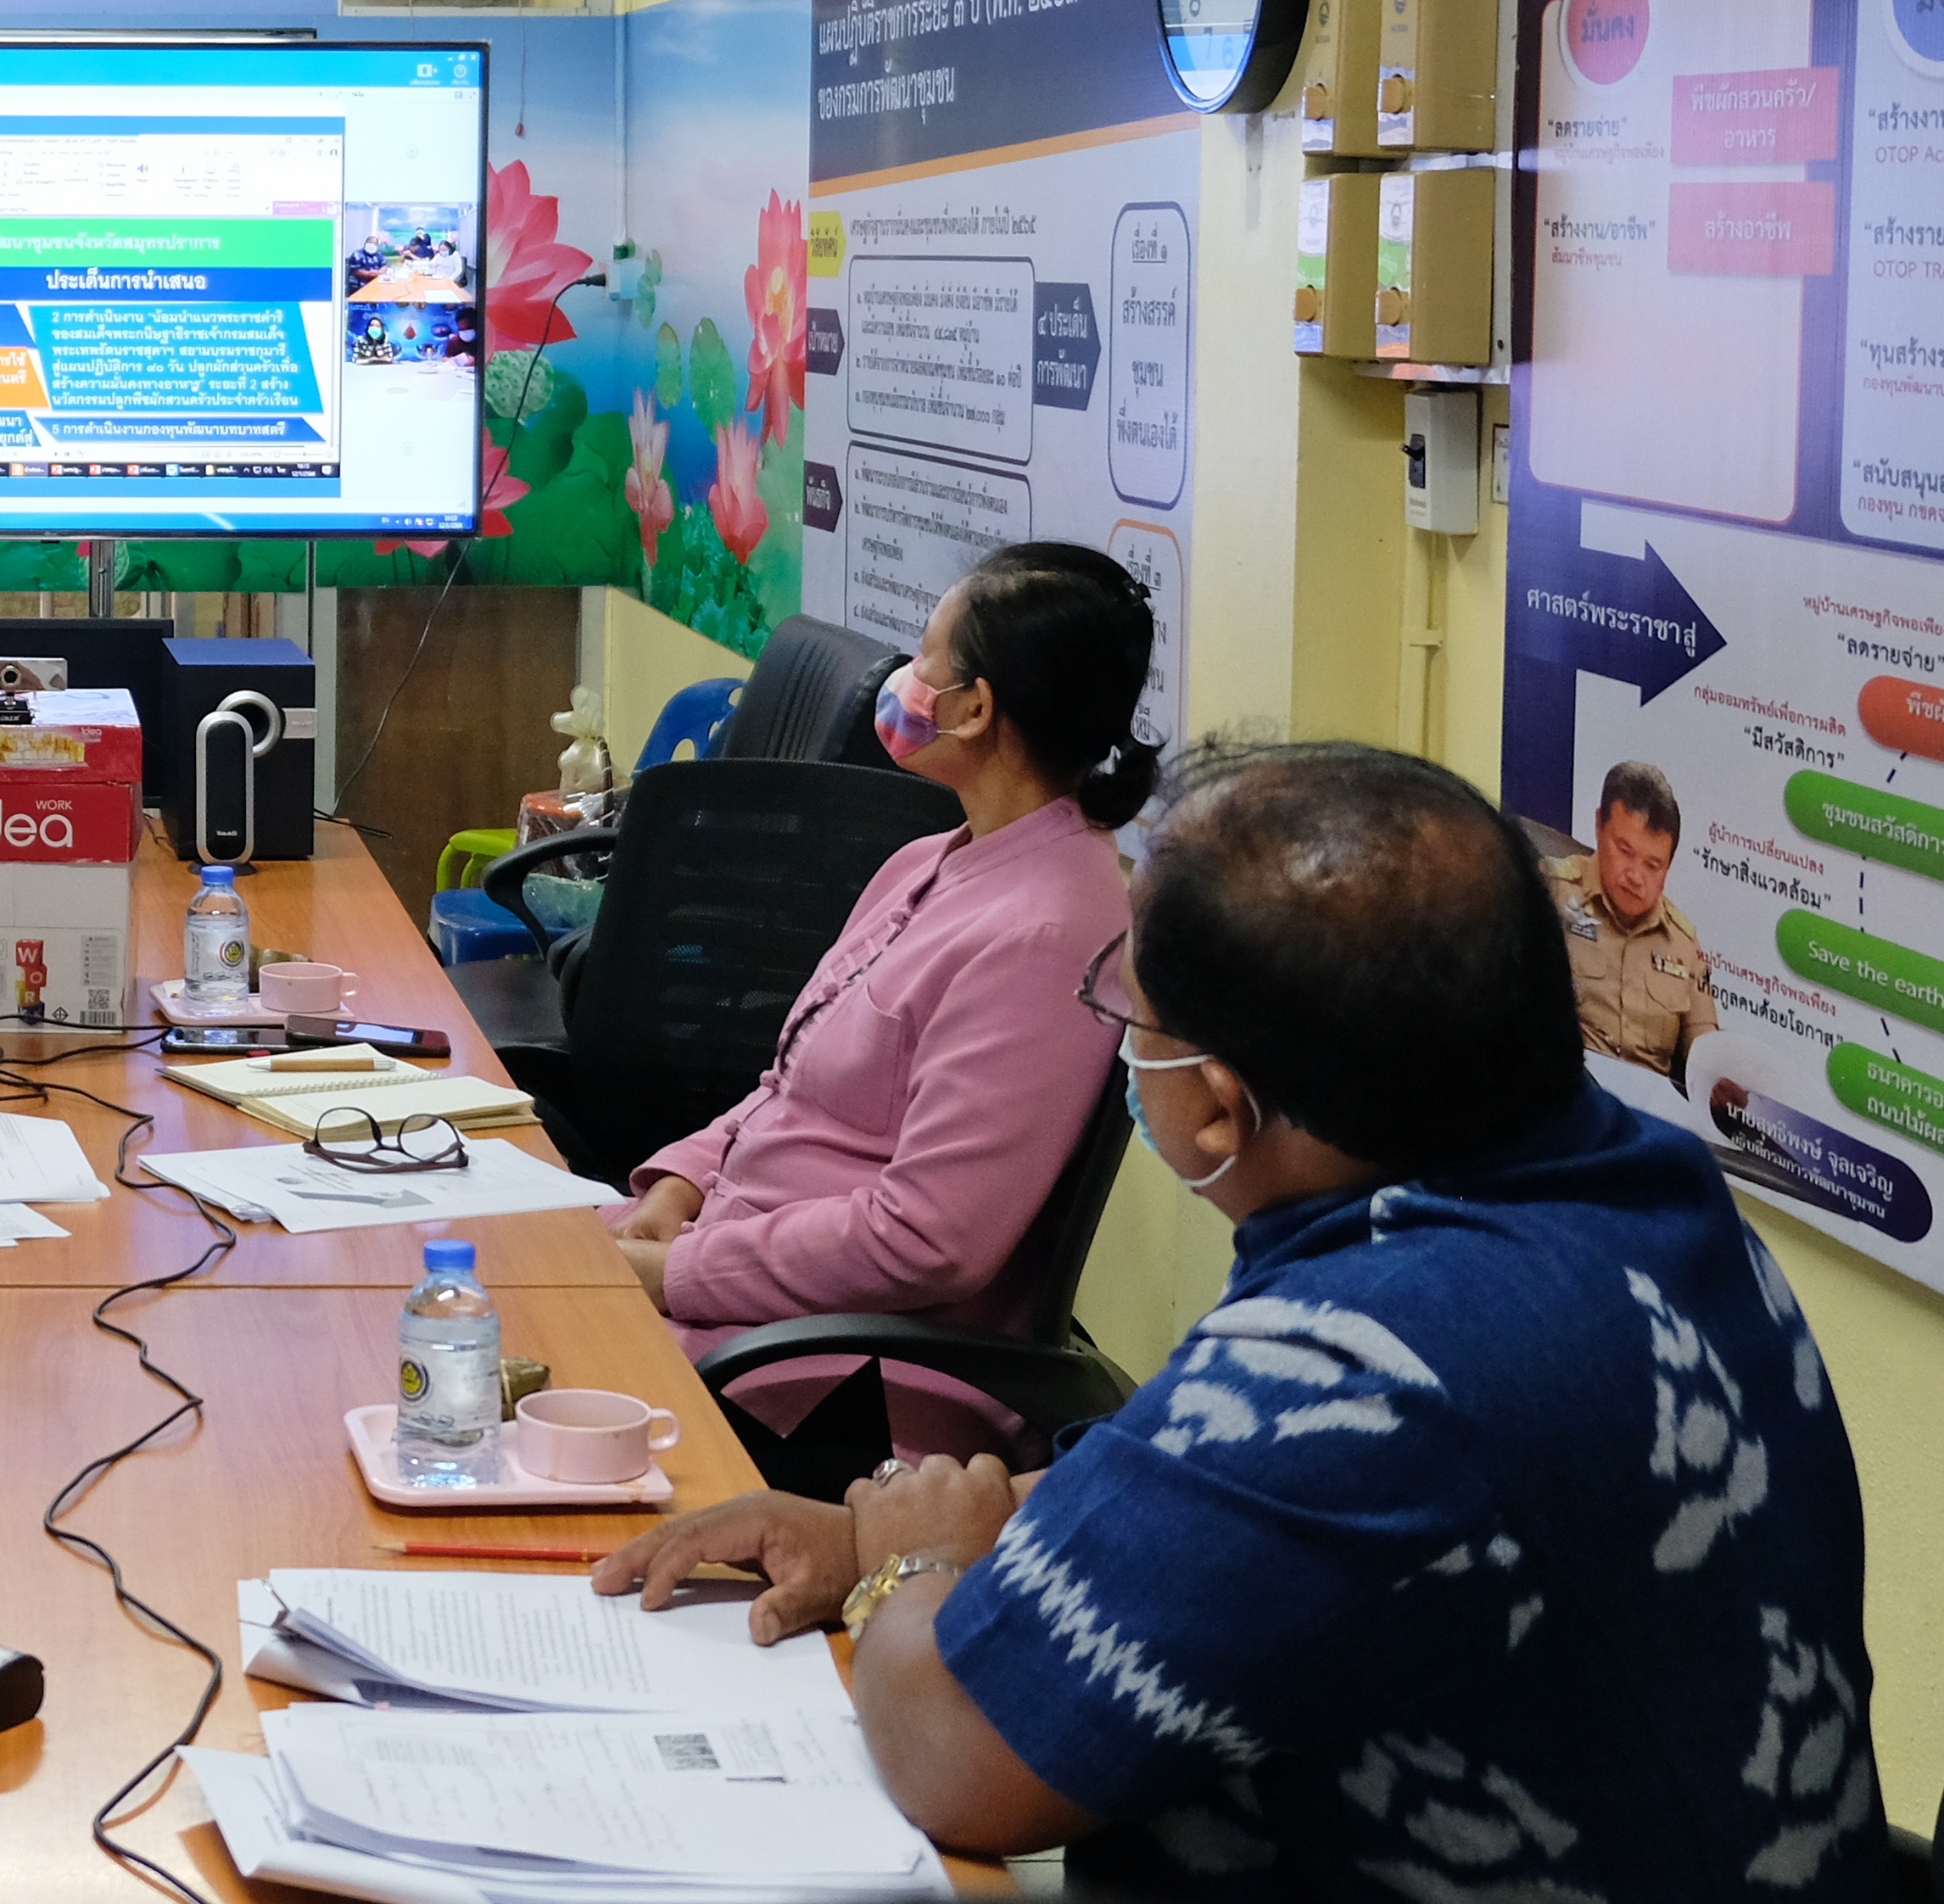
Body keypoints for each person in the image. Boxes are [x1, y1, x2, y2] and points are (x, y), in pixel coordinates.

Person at [594, 741, 1889, 1901]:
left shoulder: (1368, 1356)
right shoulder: (1648, 1195)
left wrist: (905, 1567)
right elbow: (1232, 1490)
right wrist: (867, 1531)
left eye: (1128, 1011)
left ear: (1216, 1103)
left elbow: (956, 1757)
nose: (1121, 1039)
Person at [605, 543, 1153, 1494]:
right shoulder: (928, 859)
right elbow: (788, 1084)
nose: (904, 680)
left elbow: (925, 1240)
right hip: (729, 1278)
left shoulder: (1048, 930)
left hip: (829, 1370)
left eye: (925, 657)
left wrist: (676, 1272)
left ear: (974, 709)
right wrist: (678, 1189)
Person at [1549, 757, 1715, 1086]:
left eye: (1653, 865)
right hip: (1566, 1086)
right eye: (1625, 851)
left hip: (1647, 1106)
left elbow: (1704, 1039)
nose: (1636, 876)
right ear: (1599, 826)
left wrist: (1717, 1077)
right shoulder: (1550, 892)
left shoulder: (1684, 942)